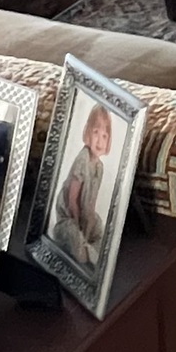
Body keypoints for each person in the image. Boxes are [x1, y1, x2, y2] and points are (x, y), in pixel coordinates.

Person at [53, 103, 116, 271]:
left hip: (84, 214)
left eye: (104, 136)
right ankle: (88, 252)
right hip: (69, 217)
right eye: (96, 133)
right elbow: (73, 200)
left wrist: (88, 228)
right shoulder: (83, 159)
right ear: (88, 132)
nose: (99, 140)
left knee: (99, 225)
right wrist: (79, 225)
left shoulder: (99, 168)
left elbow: (91, 203)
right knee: (74, 237)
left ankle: (89, 249)